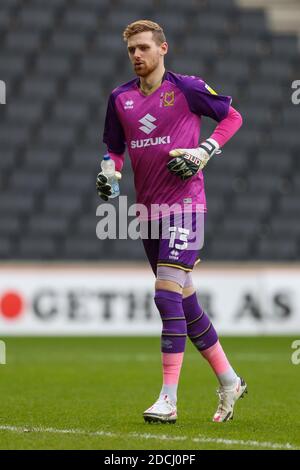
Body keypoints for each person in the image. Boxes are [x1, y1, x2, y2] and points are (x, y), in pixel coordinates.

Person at [97, 20, 247, 423]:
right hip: (148, 212)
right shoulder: (119, 98)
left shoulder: (187, 88)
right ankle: (230, 380)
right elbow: (114, 148)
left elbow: (232, 118)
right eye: (132, 50)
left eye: (144, 48)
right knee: (186, 303)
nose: (137, 56)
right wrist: (110, 174)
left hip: (186, 205)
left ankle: (168, 399)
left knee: (165, 295)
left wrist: (204, 150)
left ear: (164, 48)